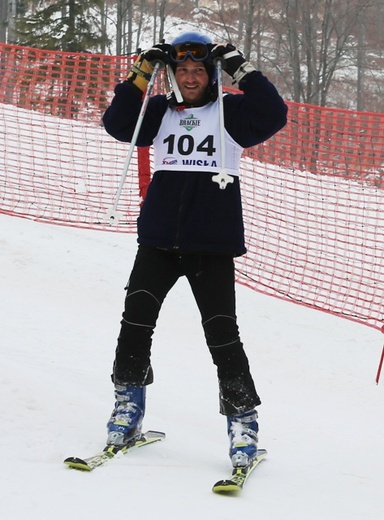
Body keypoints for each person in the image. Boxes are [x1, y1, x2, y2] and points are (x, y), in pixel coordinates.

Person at [102, 31, 287, 468]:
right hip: (159, 241)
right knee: (134, 324)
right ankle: (127, 407)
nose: (189, 77)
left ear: (211, 75)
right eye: (181, 69)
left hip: (212, 246)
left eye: (198, 70)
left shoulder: (233, 113)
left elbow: (274, 112)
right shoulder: (158, 111)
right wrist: (141, 73)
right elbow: (117, 124)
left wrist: (240, 66)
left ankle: (243, 424)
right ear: (172, 73)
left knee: (223, 338)